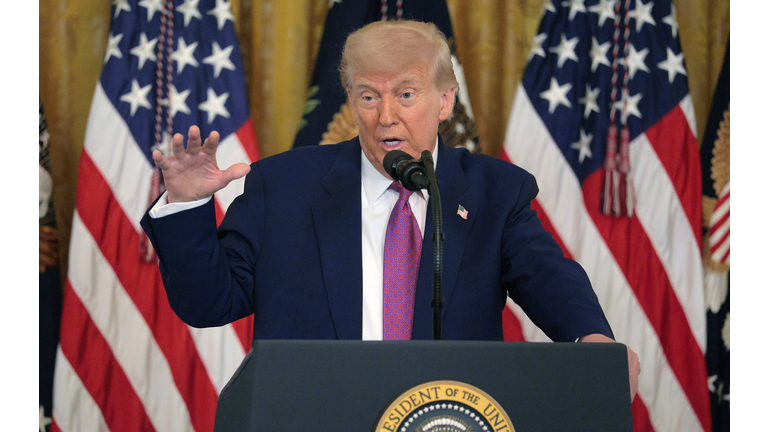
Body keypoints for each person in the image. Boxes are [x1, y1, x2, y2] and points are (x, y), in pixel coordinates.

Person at [141, 20, 639, 399]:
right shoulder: (284, 186)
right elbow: (209, 304)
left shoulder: (493, 192)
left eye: (405, 94)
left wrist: (591, 341)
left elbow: (549, 278)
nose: (385, 117)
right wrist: (187, 205)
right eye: (368, 96)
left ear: (445, 100)